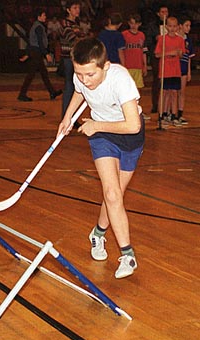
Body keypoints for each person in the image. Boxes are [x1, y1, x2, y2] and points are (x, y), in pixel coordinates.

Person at [57, 38, 145, 279]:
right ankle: (127, 254)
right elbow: (79, 92)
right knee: (112, 194)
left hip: (129, 136)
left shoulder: (120, 79)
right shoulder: (82, 76)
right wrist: (68, 118)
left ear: (105, 66)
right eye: (79, 73)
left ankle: (97, 233)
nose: (85, 79)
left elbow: (133, 125)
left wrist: (97, 124)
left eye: (90, 74)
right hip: (101, 136)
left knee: (115, 195)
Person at [17, 8, 62, 102]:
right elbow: (40, 42)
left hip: (35, 52)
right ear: (39, 17)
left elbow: (32, 42)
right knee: (31, 74)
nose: (45, 17)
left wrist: (28, 54)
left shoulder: (36, 26)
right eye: (44, 15)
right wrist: (46, 54)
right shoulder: (38, 27)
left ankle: (52, 92)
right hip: (37, 53)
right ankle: (22, 94)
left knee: (43, 73)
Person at [57, 0, 89, 118]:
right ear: (68, 10)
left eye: (78, 8)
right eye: (74, 8)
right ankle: (67, 115)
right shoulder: (66, 24)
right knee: (70, 87)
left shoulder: (75, 23)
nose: (77, 10)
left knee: (73, 87)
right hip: (68, 58)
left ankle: (71, 115)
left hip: (74, 58)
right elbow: (73, 39)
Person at [154, 16, 185, 127]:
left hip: (175, 70)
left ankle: (174, 115)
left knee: (174, 93)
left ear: (177, 27)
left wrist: (179, 53)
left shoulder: (180, 39)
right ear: (166, 26)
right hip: (165, 70)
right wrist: (169, 53)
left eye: (174, 26)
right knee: (164, 93)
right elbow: (157, 54)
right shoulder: (162, 39)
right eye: (170, 26)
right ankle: (162, 115)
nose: (172, 28)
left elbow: (181, 55)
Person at [122, 14, 151, 120]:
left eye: (136, 23)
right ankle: (126, 112)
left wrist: (145, 65)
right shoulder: (124, 34)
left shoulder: (141, 35)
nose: (134, 26)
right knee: (126, 90)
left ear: (140, 24)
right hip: (127, 66)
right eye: (132, 23)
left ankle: (137, 111)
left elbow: (143, 51)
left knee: (138, 90)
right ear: (129, 23)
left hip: (138, 66)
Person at [144, 4, 168, 114]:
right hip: (157, 56)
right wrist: (155, 38)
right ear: (158, 14)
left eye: (166, 12)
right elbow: (148, 41)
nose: (164, 14)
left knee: (167, 81)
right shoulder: (153, 26)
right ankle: (155, 104)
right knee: (157, 80)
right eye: (162, 12)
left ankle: (166, 105)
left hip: (168, 56)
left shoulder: (171, 25)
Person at [177, 16, 195, 125]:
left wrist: (189, 72)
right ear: (180, 26)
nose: (188, 28)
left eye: (189, 26)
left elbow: (189, 57)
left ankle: (180, 113)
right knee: (172, 92)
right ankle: (170, 113)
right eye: (186, 25)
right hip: (174, 68)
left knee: (182, 92)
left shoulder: (188, 40)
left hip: (183, 68)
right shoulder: (175, 38)